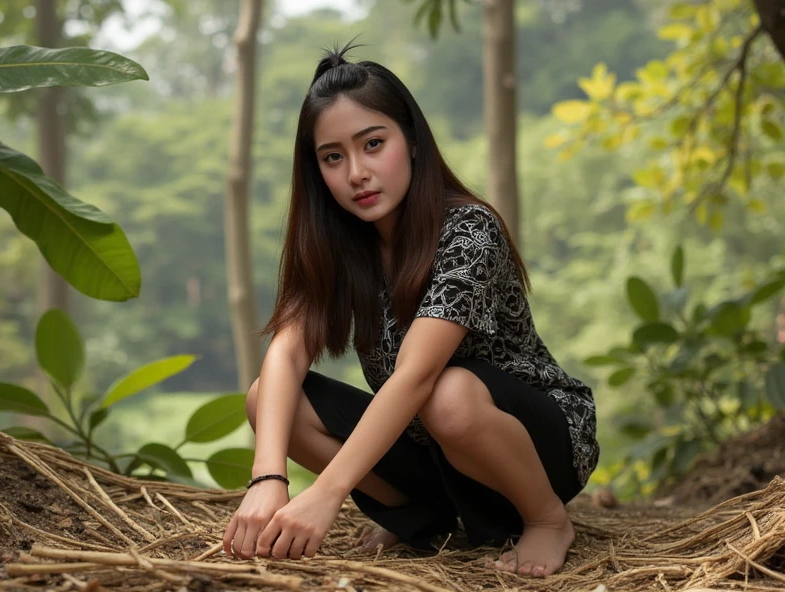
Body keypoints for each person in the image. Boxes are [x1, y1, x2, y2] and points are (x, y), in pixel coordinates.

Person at [222, 43, 599, 577]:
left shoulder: (469, 231)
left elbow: (418, 376)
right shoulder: (340, 245)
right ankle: (424, 518)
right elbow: (285, 355)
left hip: (529, 443)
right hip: (435, 447)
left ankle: (546, 520)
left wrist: (328, 493)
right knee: (269, 399)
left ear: (413, 142)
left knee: (448, 394)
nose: (356, 172)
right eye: (333, 157)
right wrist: (269, 479)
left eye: (373, 144)